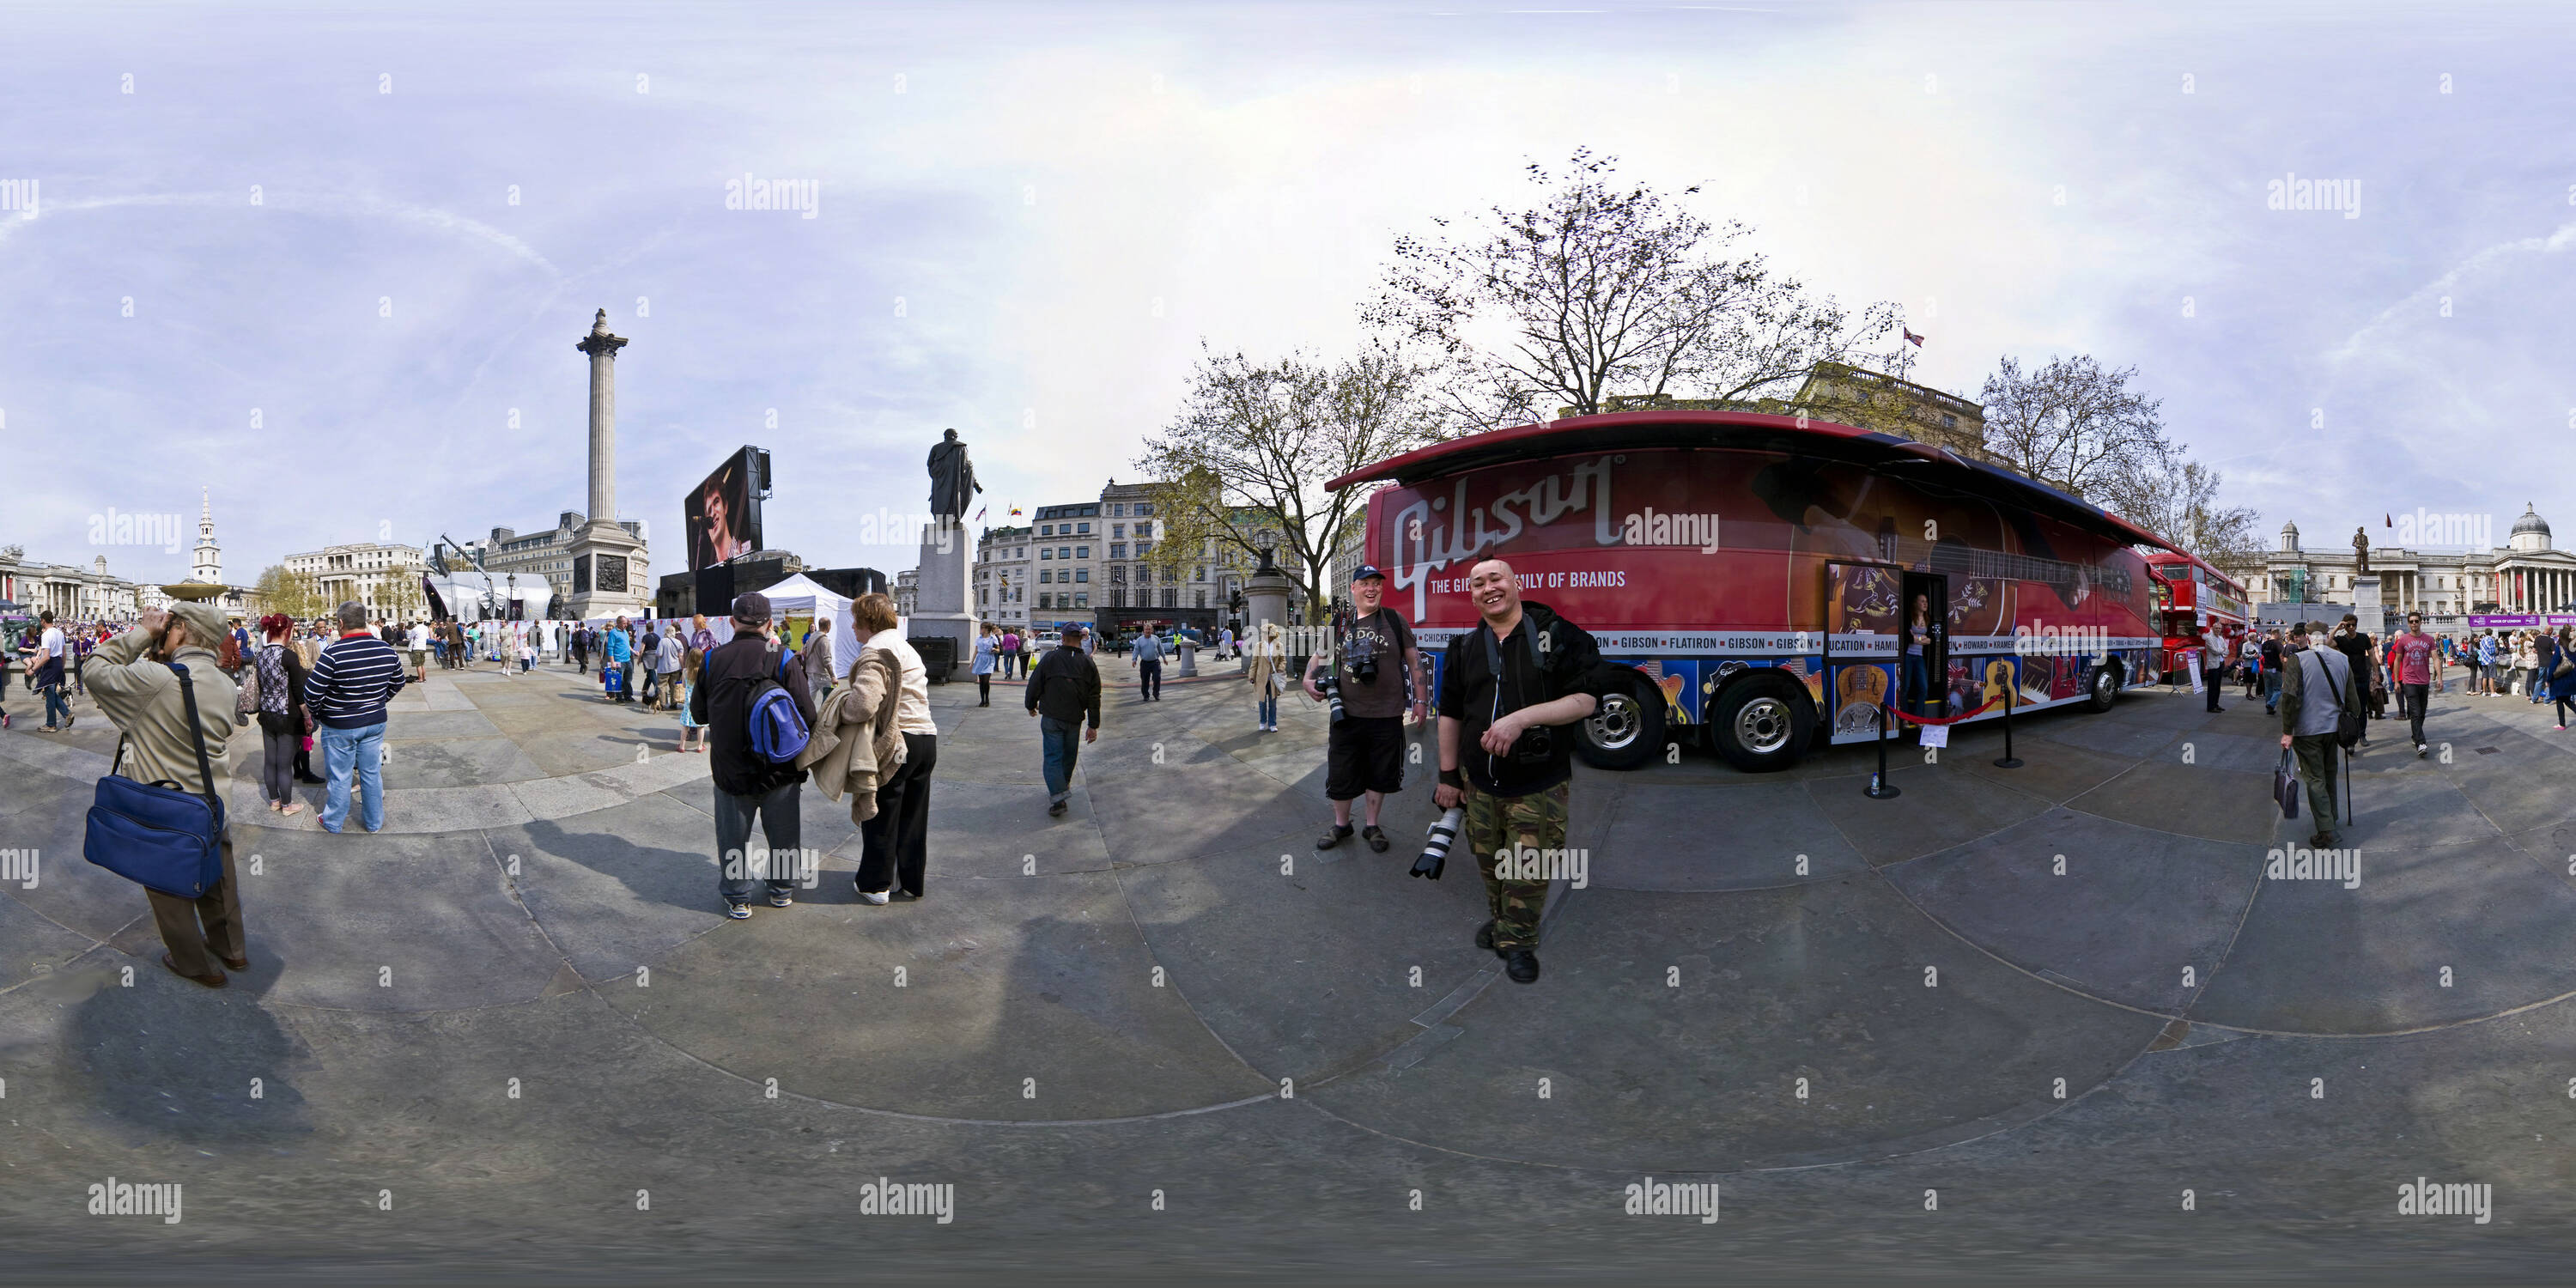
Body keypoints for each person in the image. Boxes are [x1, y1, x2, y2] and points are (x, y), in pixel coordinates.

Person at [1434, 558, 1609, 986]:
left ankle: (1519, 942)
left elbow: (1587, 700)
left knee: (1527, 868)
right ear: (1472, 595)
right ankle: (1502, 923)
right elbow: (1450, 714)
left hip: (1539, 784)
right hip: (1479, 784)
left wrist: (1521, 719)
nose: (1488, 588)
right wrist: (1448, 776)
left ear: (1515, 584)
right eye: (1478, 584)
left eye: (1496, 579)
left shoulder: (1559, 635)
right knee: (1491, 863)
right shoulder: (1463, 649)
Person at [88, 601, 246, 987]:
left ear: (180, 631)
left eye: (169, 624)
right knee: (218, 877)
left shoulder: (156, 679)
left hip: (165, 806)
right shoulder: (226, 683)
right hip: (210, 801)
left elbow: (93, 671)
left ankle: (195, 965)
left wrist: (143, 632)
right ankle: (232, 950)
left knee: (168, 890)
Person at [690, 592, 818, 918]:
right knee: (784, 835)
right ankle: (781, 891)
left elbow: (699, 713)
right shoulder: (782, 655)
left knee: (733, 838)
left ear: (732, 623)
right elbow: (807, 714)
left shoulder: (712, 658)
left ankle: (738, 898)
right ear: (770, 624)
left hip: (730, 768)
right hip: (780, 767)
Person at [1305, 564, 1427, 853]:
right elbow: (1320, 654)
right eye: (1365, 583)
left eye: (1376, 583)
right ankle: (1341, 825)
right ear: (1354, 588)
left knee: (1380, 772)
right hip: (1345, 713)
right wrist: (1308, 680)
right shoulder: (1341, 621)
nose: (1371, 588)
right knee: (1341, 771)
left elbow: (1414, 661)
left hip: (1387, 714)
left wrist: (1421, 700)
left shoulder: (1396, 621)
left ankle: (1372, 825)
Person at [851, 593, 939, 905]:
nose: (852, 627)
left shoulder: (875, 648)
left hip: (897, 741)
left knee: (881, 813)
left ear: (868, 622)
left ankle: (875, 885)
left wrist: (839, 709)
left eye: (856, 621)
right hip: (926, 738)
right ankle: (911, 882)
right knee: (914, 816)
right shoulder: (906, 646)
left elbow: (862, 704)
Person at [304, 601, 409, 834]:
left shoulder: (333, 653)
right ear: (363, 621)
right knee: (371, 773)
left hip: (340, 724)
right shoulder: (386, 650)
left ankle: (333, 821)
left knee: (340, 776)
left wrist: (322, 713)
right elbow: (398, 681)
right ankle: (374, 822)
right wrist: (378, 702)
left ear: (341, 623)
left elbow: (311, 692)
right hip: (374, 722)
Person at [2279, 621, 2363, 848]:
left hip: (2308, 729)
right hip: (2334, 727)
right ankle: (2331, 815)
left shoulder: (2299, 659)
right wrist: (2351, 725)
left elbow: (2290, 697)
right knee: (2329, 773)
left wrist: (2288, 731)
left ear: (2307, 637)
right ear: (2327, 635)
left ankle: (2326, 829)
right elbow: (2353, 701)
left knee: (2314, 778)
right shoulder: (2342, 659)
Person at [1025, 623, 1101, 817]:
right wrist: (1093, 725)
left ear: (1064, 638)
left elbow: (1035, 682)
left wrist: (1030, 704)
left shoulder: (1051, 658)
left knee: (1053, 756)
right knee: (1069, 755)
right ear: (1081, 639)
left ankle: (1058, 796)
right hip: (1074, 718)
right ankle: (1061, 787)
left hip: (1051, 715)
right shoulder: (1088, 664)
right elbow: (1094, 696)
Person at [248, 613, 312, 817]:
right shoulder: (289, 656)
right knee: (284, 764)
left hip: (266, 713)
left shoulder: (260, 655)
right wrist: (306, 715)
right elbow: (298, 690)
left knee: (270, 761)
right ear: (286, 631)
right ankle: (287, 805)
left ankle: (274, 801)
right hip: (287, 715)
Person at [2389, 612, 2439, 757]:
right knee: (2415, 713)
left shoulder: (2429, 639)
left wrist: (2440, 678)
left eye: (2416, 621)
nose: (2414, 623)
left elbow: (2435, 658)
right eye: (2411, 621)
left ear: (2421, 622)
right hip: (2409, 682)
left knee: (2422, 713)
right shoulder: (2403, 640)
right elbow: (2397, 660)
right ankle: (2421, 743)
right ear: (2408, 623)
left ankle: (2415, 736)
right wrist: (2397, 681)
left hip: (2424, 681)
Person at [22, 610, 72, 732]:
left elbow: (46, 657)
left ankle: (51, 724)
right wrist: (62, 667)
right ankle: (66, 714)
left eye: (41, 620)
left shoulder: (45, 635)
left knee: (49, 695)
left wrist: (33, 669)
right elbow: (64, 653)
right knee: (50, 693)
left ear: (43, 621)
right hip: (58, 664)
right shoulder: (60, 633)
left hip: (50, 666)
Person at [2330, 616, 2373, 744]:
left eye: (2353, 625)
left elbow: (2371, 655)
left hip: (2362, 677)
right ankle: (2350, 738)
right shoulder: (2341, 640)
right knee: (2348, 709)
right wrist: (2337, 627)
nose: (2351, 628)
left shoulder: (2364, 638)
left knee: (2362, 708)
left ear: (2356, 625)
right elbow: (2326, 644)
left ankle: (2362, 735)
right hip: (2347, 679)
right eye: (2348, 625)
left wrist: (2376, 672)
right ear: (2345, 626)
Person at [1903, 592, 1940, 718]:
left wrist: (1916, 637)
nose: (1925, 604)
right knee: (1905, 688)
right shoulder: (1909, 618)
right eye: (1922, 601)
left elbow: (1931, 640)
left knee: (1924, 688)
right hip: (1907, 656)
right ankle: (1905, 719)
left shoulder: (1928, 620)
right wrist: (1921, 638)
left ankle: (1918, 717)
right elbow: (1908, 638)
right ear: (1916, 603)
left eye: (1926, 602)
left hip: (1919, 657)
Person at [1247, 620, 1287, 732]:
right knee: (1262, 702)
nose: (1262, 635)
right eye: (1262, 633)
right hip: (1261, 678)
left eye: (1264, 633)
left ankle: (1272, 724)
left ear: (1271, 634)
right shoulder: (1258, 646)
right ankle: (1263, 722)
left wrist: (1280, 668)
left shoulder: (1279, 646)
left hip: (1274, 678)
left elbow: (1283, 660)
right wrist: (1251, 676)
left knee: (1273, 703)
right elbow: (1254, 662)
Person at [676, 647, 707, 752]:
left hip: (689, 701)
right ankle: (699, 746)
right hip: (700, 701)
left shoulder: (685, 671)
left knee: (685, 725)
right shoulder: (702, 671)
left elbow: (684, 685)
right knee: (700, 726)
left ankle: (682, 746)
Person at [652, 624, 684, 712]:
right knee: (674, 686)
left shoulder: (662, 641)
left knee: (662, 686)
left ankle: (662, 704)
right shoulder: (678, 642)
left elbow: (659, 654)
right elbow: (681, 655)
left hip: (664, 668)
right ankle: (674, 703)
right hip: (676, 667)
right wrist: (683, 667)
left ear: (666, 632)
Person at [603, 616, 634, 702]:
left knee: (628, 679)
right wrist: (612, 661)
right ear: (618, 623)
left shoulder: (625, 632)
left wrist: (634, 651)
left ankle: (628, 696)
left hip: (628, 659)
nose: (626, 625)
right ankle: (619, 697)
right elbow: (610, 647)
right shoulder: (613, 633)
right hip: (619, 660)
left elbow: (627, 644)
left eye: (626, 623)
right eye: (624, 623)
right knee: (619, 679)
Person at [2551, 625, 2576, 731]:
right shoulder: (2572, 646)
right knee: (2566, 700)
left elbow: (2554, 662)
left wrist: (2549, 678)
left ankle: (2562, 724)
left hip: (2562, 675)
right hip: (2571, 674)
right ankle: (2561, 723)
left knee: (2561, 700)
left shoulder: (2559, 645)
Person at [1132, 629, 1166, 702]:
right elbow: (1136, 650)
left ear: (1152, 631)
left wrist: (1164, 658)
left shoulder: (1156, 638)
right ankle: (1146, 695)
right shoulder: (1139, 640)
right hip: (1145, 663)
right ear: (1143, 631)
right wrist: (1134, 659)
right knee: (1145, 680)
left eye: (1149, 629)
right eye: (1146, 630)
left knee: (1157, 678)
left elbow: (1161, 649)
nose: (1147, 631)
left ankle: (1156, 694)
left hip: (1155, 662)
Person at [972, 623, 999, 707]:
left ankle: (987, 698)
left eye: (982, 628)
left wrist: (994, 649)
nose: (980, 630)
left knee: (986, 681)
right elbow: (976, 651)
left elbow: (999, 650)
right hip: (980, 659)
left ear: (987, 629)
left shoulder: (993, 638)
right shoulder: (978, 638)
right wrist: (972, 662)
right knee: (981, 681)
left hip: (989, 659)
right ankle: (982, 700)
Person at [2260, 628, 2285, 714]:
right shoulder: (2278, 644)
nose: (2281, 636)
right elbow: (2281, 656)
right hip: (2275, 669)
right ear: (2276, 633)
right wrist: (2284, 667)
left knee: (2268, 690)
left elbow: (2263, 655)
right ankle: (2271, 704)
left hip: (2266, 669)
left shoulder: (2265, 644)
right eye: (2280, 634)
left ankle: (2269, 709)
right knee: (2278, 689)